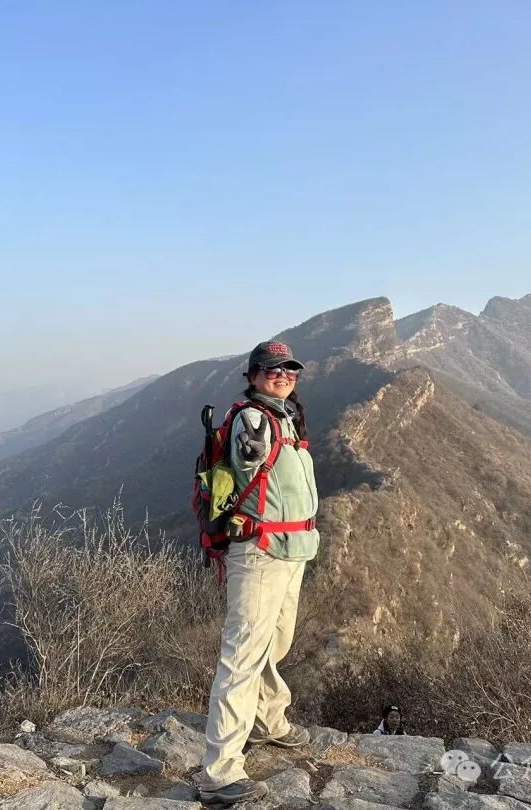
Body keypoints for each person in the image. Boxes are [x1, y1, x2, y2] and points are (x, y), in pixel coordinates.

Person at [199, 340, 321, 805]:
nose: (283, 376)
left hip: (292, 550)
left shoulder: (285, 416)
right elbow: (247, 457)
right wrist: (251, 446)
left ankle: (268, 720)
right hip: (260, 551)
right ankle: (220, 773)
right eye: (272, 370)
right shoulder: (253, 418)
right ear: (252, 375)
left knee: (276, 642)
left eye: (290, 370)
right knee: (242, 657)